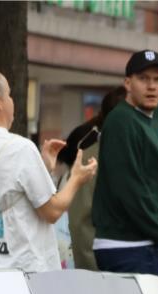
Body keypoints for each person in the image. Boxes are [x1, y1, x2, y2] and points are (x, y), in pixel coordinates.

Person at [0, 65, 97, 272]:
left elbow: (3, 193)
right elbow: (53, 211)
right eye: (9, 95)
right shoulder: (19, 148)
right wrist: (76, 178)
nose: (12, 101)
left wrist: (42, 167)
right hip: (25, 273)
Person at [91, 50, 158, 276]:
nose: (152, 86)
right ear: (128, 83)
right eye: (143, 79)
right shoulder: (123, 120)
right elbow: (130, 186)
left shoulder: (136, 121)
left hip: (135, 246)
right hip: (133, 247)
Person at [59, 87, 126, 270]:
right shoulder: (91, 160)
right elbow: (80, 224)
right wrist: (95, 273)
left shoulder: (142, 155)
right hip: (105, 275)